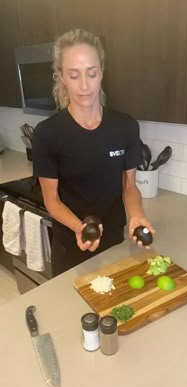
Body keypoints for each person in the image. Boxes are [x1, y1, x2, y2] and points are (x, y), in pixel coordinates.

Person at [33, 28, 155, 276]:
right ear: (61, 77)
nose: (85, 85)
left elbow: (129, 185)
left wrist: (136, 215)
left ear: (101, 72)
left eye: (91, 73)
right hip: (71, 243)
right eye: (74, 75)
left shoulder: (125, 126)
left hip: (114, 242)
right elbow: (52, 201)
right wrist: (79, 228)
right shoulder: (47, 133)